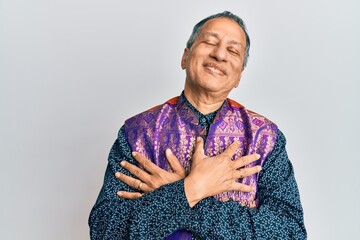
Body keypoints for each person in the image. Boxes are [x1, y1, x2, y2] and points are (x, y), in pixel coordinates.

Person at [89, 11, 307, 239]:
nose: (220, 54)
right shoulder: (137, 132)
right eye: (210, 42)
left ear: (239, 76)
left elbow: (290, 233)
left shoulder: (265, 138)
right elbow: (105, 231)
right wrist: (189, 189)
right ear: (185, 57)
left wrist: (190, 196)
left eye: (232, 50)